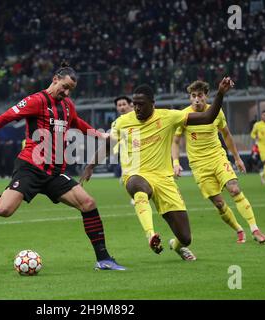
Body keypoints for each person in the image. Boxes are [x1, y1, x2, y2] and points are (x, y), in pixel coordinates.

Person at [0, 62, 125, 271]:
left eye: (70, 90)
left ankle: (103, 259)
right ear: (55, 79)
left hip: (54, 172)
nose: (66, 92)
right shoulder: (35, 101)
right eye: (64, 87)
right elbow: (5, 117)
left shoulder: (68, 105)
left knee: (88, 203)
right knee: (3, 210)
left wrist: (99, 134)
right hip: (30, 167)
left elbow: (76, 122)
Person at [81, 77, 234, 260]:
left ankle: (176, 246)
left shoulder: (168, 117)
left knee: (185, 237)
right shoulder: (123, 122)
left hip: (164, 180)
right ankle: (150, 234)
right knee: (136, 185)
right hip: (136, 174)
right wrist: (90, 166)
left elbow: (207, 117)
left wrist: (220, 94)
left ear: (152, 104)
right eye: (135, 104)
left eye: (141, 104)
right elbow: (108, 145)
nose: (137, 108)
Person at [172, 80, 265, 244]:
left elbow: (227, 135)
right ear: (190, 98)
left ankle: (255, 229)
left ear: (206, 96)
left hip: (218, 158)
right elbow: (175, 141)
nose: (196, 99)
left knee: (234, 189)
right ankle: (239, 229)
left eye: (200, 95)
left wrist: (237, 158)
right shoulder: (184, 116)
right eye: (193, 96)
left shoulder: (216, 111)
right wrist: (175, 161)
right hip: (199, 165)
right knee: (219, 203)